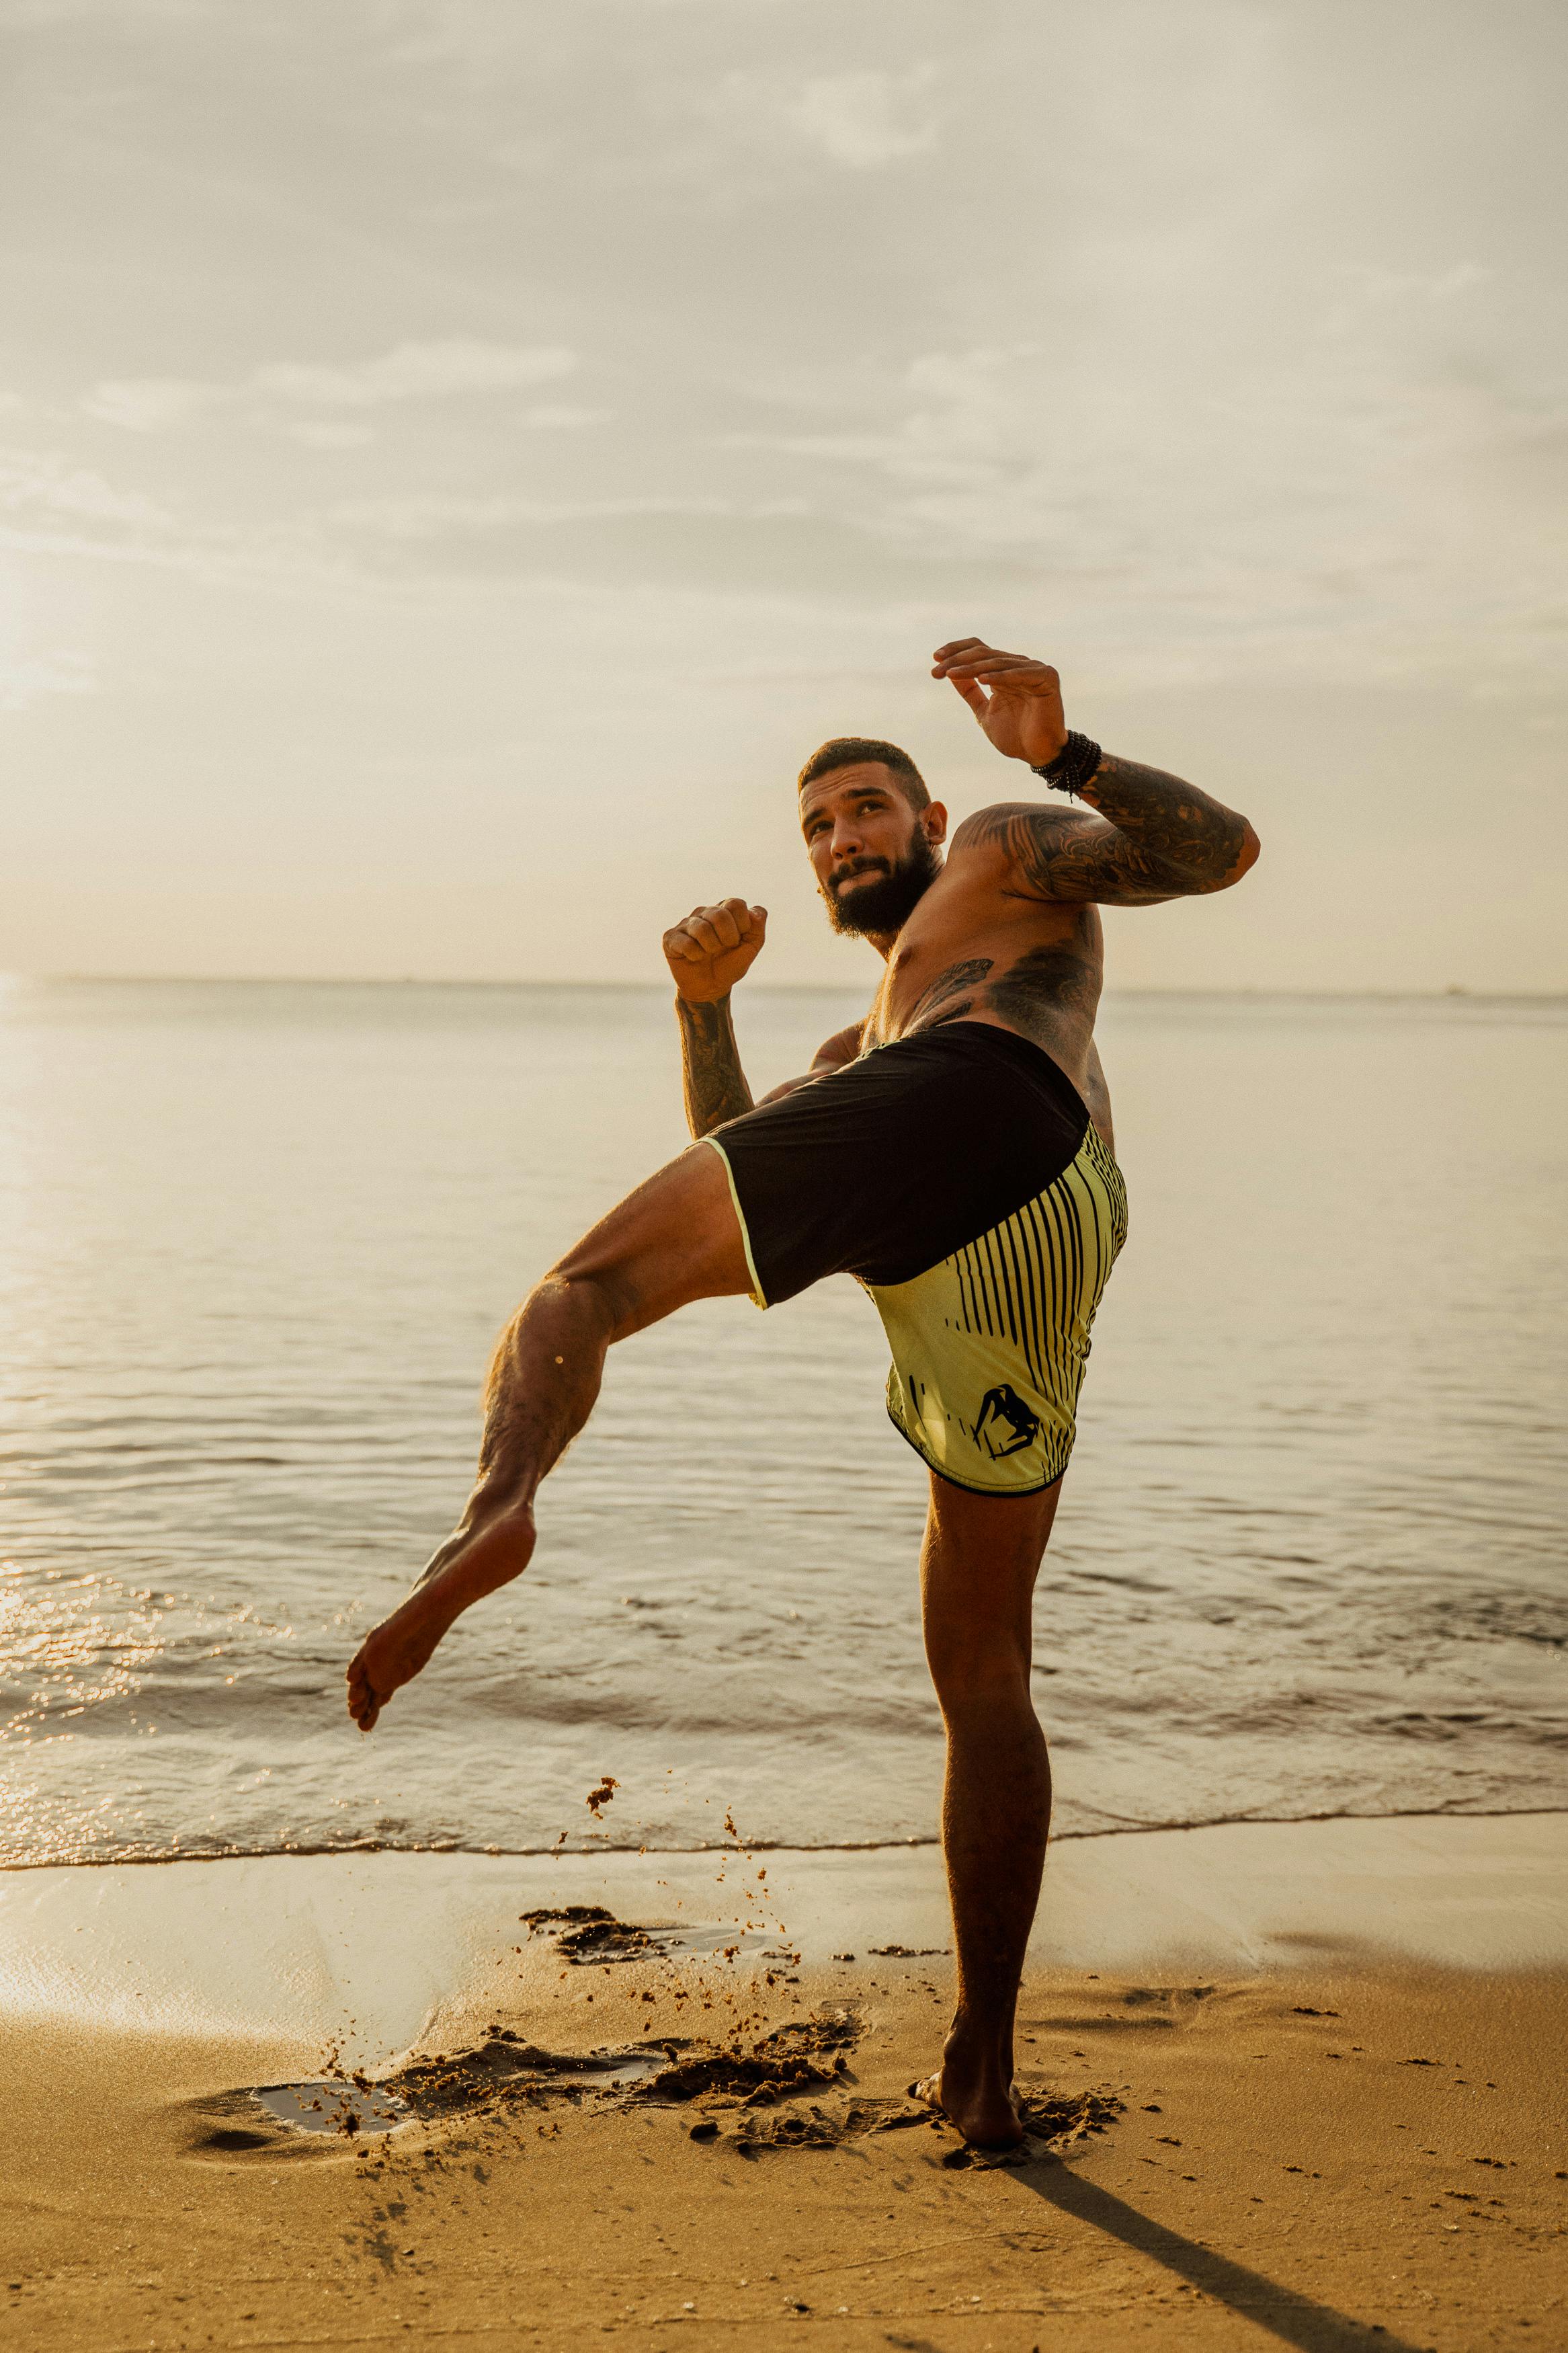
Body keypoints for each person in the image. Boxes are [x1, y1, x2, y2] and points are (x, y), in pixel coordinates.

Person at [346, 637, 1261, 2148]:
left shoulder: (1002, 850)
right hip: (1024, 1277)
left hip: (994, 1117)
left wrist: (1065, 751)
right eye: (820, 828)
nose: (844, 840)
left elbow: (1214, 852)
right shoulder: (871, 1035)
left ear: (923, 813)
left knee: (584, 1288)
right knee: (983, 1676)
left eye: (863, 808)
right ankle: (983, 2063)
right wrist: (702, 1003)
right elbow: (746, 1155)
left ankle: (493, 1513)